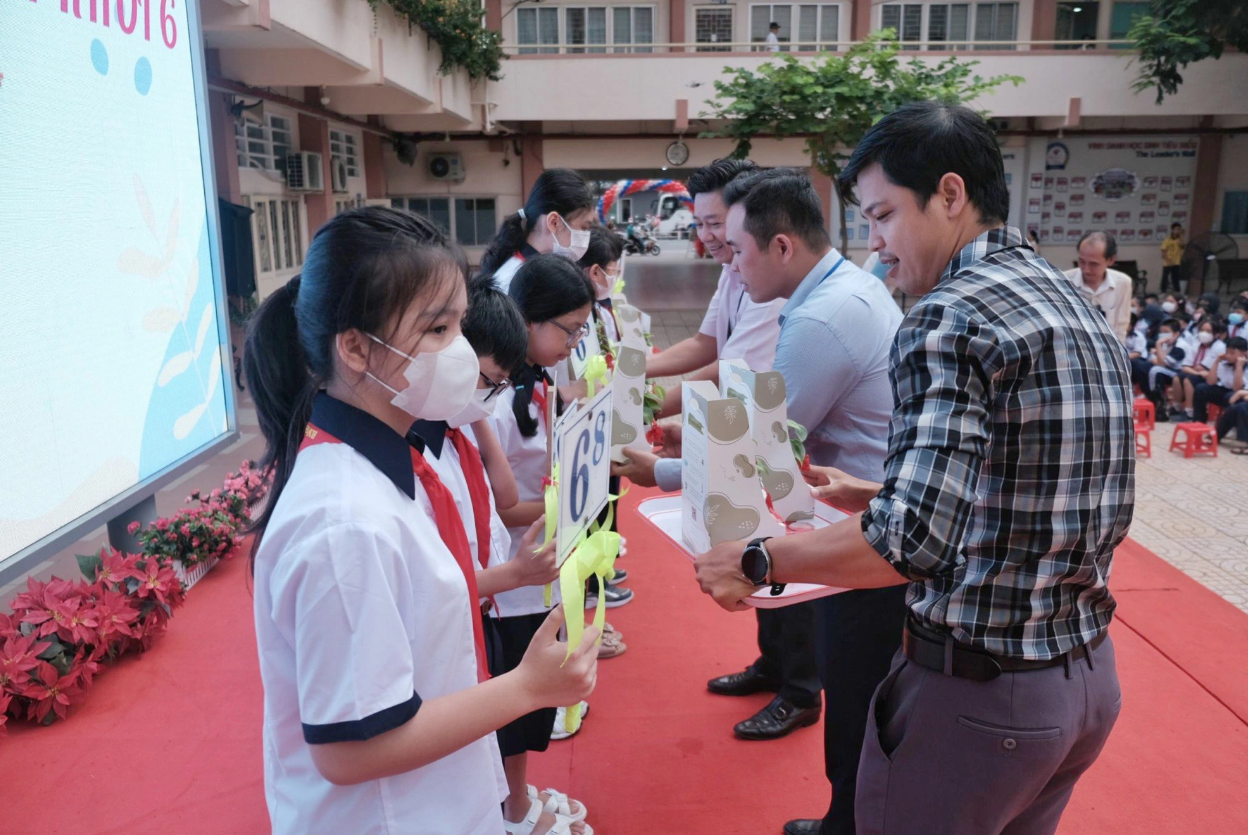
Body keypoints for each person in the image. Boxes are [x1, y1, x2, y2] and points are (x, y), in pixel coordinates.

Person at [694, 102, 1131, 835]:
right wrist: (874, 489)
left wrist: (758, 557)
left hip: (982, 697)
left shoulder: (949, 312)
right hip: (1083, 680)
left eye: (885, 214)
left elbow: (912, 542)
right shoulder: (1066, 296)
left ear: (951, 195)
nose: (876, 242)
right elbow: (1037, 478)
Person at [243, 207, 597, 835]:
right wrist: (527, 687)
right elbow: (350, 749)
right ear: (354, 347)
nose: (460, 351)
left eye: (459, 326)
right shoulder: (343, 523)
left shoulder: (388, 470)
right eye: (436, 329)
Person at [722, 168, 905, 835]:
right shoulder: (835, 293)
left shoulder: (825, 316)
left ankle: (849, 823)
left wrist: (659, 464)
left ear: (780, 247)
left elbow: (760, 440)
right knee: (853, 685)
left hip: (865, 535)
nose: (731, 266)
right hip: (858, 511)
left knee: (854, 690)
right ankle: (846, 815)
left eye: (737, 251)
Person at [640, 159, 785, 419]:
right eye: (699, 224)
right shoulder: (730, 269)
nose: (704, 236)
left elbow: (726, 373)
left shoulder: (771, 285)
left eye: (715, 224)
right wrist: (632, 369)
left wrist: (639, 412)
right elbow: (703, 343)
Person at [479, 169, 596, 292]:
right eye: (584, 227)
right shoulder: (512, 282)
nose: (586, 236)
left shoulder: (542, 273)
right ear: (554, 222)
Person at [1064, 231, 1133, 342]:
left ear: (1111, 260)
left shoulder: (1123, 283)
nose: (1086, 269)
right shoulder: (1063, 280)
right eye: (1081, 262)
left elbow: (1121, 327)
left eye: (1093, 264)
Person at [1169, 316, 1225, 421]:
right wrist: (1196, 372)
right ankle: (1177, 407)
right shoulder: (1196, 344)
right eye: (1202, 330)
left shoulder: (1219, 346)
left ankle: (1190, 412)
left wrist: (1194, 371)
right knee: (1177, 377)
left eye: (1208, 331)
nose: (1204, 333)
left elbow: (1202, 367)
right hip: (1198, 373)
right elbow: (1185, 366)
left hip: (1213, 376)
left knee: (1188, 380)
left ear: (1216, 334)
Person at [1193, 336, 1247, 430]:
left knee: (1230, 396)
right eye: (1227, 352)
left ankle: (1223, 428)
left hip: (1239, 396)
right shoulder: (1224, 363)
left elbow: (1237, 389)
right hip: (1224, 391)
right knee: (1201, 388)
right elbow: (1211, 382)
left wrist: (1239, 367)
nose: (1228, 356)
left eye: (1232, 353)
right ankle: (1199, 422)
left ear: (1244, 354)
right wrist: (1217, 361)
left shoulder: (1245, 367)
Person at [1160, 223, 1185, 293]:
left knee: (1176, 278)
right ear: (1172, 230)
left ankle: (1177, 291)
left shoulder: (1180, 239)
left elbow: (1183, 246)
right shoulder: (1167, 240)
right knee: (1165, 278)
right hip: (1168, 262)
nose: (1177, 231)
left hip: (1176, 262)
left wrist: (1181, 236)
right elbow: (1163, 252)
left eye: (1179, 229)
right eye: (1176, 229)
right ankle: (1163, 291)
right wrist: (1168, 260)